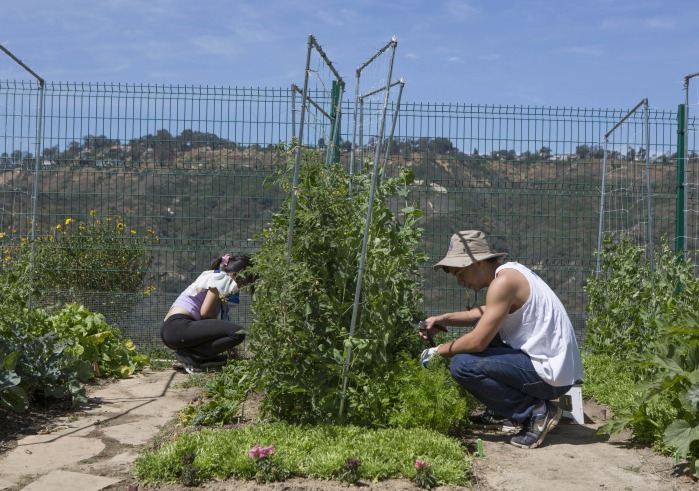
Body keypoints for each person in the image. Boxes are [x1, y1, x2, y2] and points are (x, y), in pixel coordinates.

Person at [419, 230, 583, 449]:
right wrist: (444, 319)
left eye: (460, 273)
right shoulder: (511, 273)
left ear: (477, 263)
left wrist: (439, 350)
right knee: (485, 328)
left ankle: (536, 412)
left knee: (463, 364)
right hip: (556, 368)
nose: (460, 282)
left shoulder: (503, 283)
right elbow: (488, 312)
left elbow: (477, 343)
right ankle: (500, 411)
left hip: (550, 377)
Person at [160, 253, 257, 373]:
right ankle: (189, 356)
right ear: (235, 275)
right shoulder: (223, 279)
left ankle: (196, 358)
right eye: (243, 283)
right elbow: (205, 313)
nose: (241, 287)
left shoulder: (214, 276)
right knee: (238, 332)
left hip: (171, 330)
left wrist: (227, 343)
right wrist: (225, 334)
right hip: (179, 327)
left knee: (222, 356)